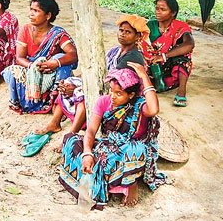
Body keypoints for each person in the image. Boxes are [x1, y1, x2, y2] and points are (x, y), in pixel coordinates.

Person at [59, 64, 161, 209]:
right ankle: (102, 181)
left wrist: (144, 76)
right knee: (70, 140)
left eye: (119, 93)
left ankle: (131, 185)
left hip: (127, 151)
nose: (112, 96)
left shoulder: (139, 105)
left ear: (131, 95)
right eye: (111, 91)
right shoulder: (104, 101)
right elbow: (91, 131)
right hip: (107, 146)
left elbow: (154, 109)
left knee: (136, 149)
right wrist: (87, 153)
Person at [1, 0, 78, 115]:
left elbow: (73, 54)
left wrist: (54, 63)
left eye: (36, 11)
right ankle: (26, 102)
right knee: (10, 71)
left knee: (61, 60)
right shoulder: (25, 29)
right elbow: (19, 58)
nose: (31, 14)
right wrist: (34, 66)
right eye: (31, 9)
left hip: (51, 74)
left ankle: (55, 102)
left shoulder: (58, 34)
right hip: (33, 70)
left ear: (48, 16)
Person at [147, 0, 195, 107]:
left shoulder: (180, 26)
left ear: (173, 13)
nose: (158, 12)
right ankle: (155, 83)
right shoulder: (150, 25)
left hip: (170, 67)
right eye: (157, 8)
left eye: (162, 9)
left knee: (183, 53)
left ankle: (181, 91)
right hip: (153, 65)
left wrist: (164, 56)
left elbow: (190, 44)